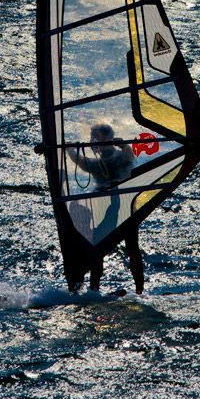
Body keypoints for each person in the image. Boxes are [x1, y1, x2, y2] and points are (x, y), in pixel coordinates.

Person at [65, 123, 145, 294]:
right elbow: (81, 162)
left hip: (125, 205)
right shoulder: (96, 164)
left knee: (132, 247)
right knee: (97, 248)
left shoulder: (120, 157)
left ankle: (140, 291)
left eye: (96, 137)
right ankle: (94, 289)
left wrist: (123, 145)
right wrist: (69, 149)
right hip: (102, 206)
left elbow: (129, 157)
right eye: (91, 137)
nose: (92, 140)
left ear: (108, 137)